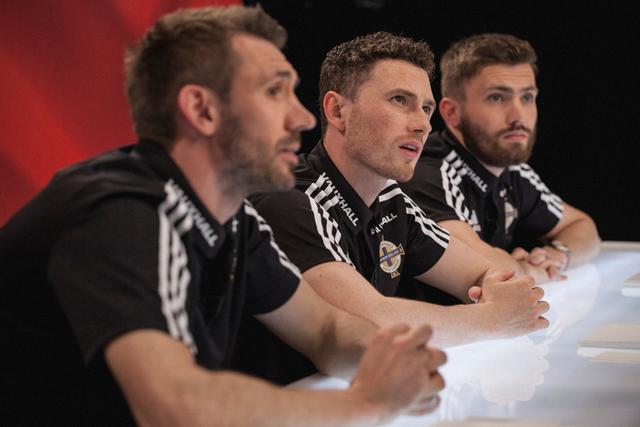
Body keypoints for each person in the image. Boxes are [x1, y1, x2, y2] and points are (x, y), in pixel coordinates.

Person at [0, 6, 447, 426]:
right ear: (203, 110)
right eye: (274, 91)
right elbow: (172, 405)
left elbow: (326, 330)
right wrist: (364, 403)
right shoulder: (121, 212)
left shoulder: (233, 218)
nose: (303, 118)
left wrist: (398, 363)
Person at [237, 31, 549, 383]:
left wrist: (495, 287)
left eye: (426, 108)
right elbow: (368, 320)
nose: (422, 125)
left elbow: (486, 272)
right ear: (337, 111)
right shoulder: (287, 199)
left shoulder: (391, 200)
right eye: (400, 100)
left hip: (350, 396)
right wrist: (493, 319)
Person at [399, 33, 601, 304]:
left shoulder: (513, 171)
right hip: (425, 329)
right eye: (497, 98)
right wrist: (528, 270)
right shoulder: (427, 172)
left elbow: (584, 228)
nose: (518, 116)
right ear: (451, 113)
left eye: (527, 97)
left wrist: (557, 255)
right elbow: (483, 267)